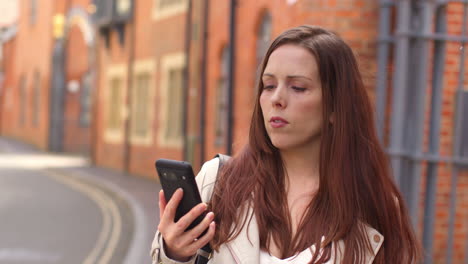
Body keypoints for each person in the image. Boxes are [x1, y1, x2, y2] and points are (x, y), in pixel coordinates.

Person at [151, 25, 421, 264]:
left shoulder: (375, 207)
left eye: (298, 87)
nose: (276, 99)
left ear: (336, 107)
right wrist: (174, 253)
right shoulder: (219, 181)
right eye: (268, 86)